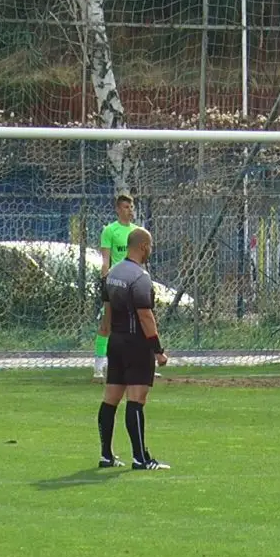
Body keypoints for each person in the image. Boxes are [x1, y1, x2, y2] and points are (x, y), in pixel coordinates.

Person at [96, 227, 170, 470]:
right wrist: (158, 351)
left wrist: (106, 332)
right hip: (136, 344)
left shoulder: (112, 274)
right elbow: (145, 316)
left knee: (110, 399)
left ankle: (106, 455)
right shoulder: (140, 278)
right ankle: (141, 458)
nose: (151, 250)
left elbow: (107, 310)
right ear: (143, 246)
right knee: (136, 400)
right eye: (150, 246)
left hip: (116, 343)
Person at [93, 193, 139, 381]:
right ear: (118, 209)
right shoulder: (110, 230)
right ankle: (98, 367)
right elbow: (105, 259)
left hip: (133, 283)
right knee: (107, 324)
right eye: (126, 207)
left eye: (131, 207)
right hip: (115, 283)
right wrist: (105, 281)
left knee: (138, 324)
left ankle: (137, 365)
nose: (130, 210)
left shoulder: (137, 232)